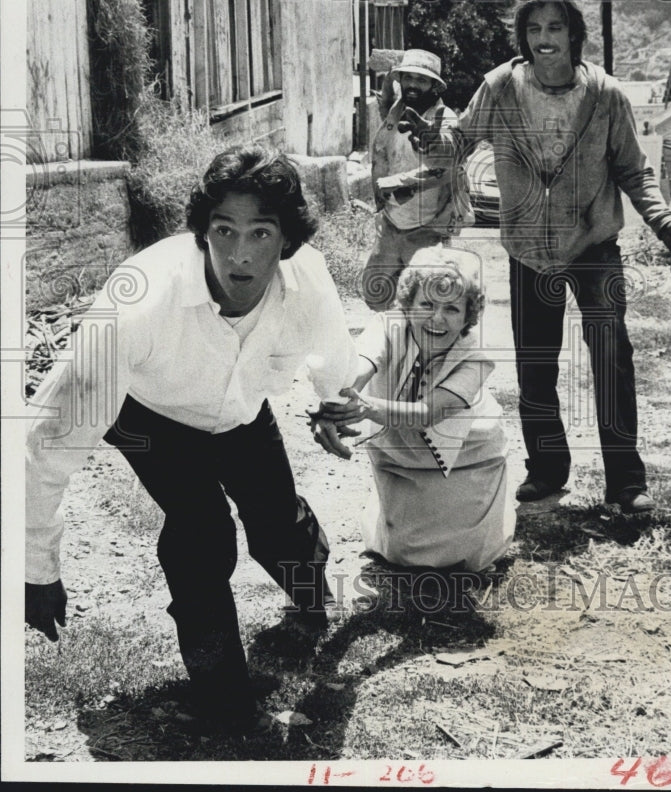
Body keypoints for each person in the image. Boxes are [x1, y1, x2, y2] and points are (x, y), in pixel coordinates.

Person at [24, 146, 359, 730]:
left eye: (260, 233)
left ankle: (311, 597)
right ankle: (223, 697)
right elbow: (45, 444)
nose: (239, 254)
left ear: (287, 239)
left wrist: (334, 404)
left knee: (277, 523)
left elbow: (334, 353)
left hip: (241, 410)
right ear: (202, 231)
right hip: (149, 415)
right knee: (201, 533)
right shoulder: (137, 303)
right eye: (224, 230)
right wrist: (36, 568)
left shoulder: (309, 278)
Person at [397, 0, 671, 515]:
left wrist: (663, 221)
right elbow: (460, 142)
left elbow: (634, 169)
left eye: (555, 27)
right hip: (529, 248)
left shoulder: (605, 94)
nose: (544, 38)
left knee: (612, 359)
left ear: (573, 34)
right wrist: (431, 139)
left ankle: (626, 481)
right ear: (523, 36)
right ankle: (547, 470)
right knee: (536, 366)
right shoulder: (500, 86)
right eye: (533, 28)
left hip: (594, 246)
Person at [316, 246, 514, 575]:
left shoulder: (478, 355)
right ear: (408, 304)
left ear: (468, 316)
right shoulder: (387, 325)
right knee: (400, 552)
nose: (437, 318)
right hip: (398, 454)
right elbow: (361, 366)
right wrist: (337, 401)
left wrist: (364, 407)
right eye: (427, 304)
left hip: (469, 455)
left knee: (470, 558)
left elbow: (427, 413)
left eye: (452, 308)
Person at [362, 49, 475, 311]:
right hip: (391, 224)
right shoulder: (395, 111)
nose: (413, 84)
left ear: (435, 86)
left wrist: (400, 182)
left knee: (425, 303)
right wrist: (390, 75)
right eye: (408, 78)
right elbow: (387, 98)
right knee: (375, 295)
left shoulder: (445, 121)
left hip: (427, 229)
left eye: (421, 80)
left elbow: (445, 167)